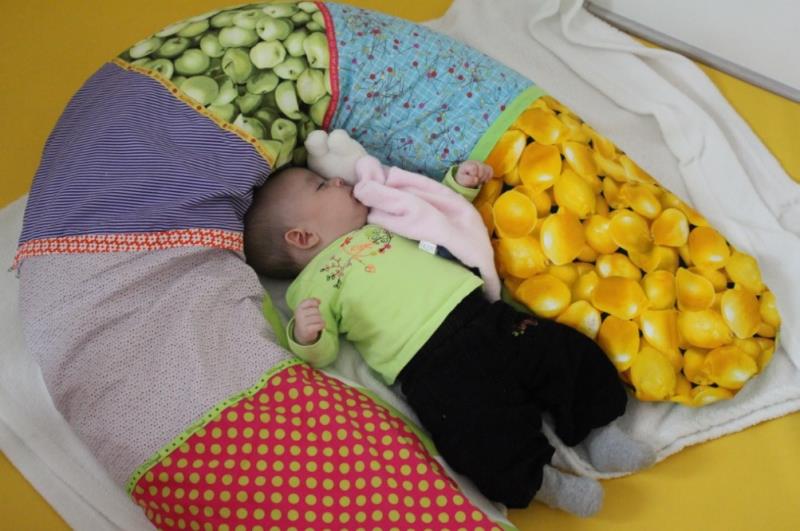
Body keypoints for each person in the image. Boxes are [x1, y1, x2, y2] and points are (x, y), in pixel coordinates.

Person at [244, 160, 653, 516]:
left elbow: (430, 220)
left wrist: (460, 185)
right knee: (474, 437)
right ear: (302, 237)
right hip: (430, 369)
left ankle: (600, 429)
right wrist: (307, 335)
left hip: (482, 317)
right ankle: (547, 483)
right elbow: (323, 353)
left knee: (559, 351)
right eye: (321, 185)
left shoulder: (379, 221)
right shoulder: (311, 288)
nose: (336, 180)